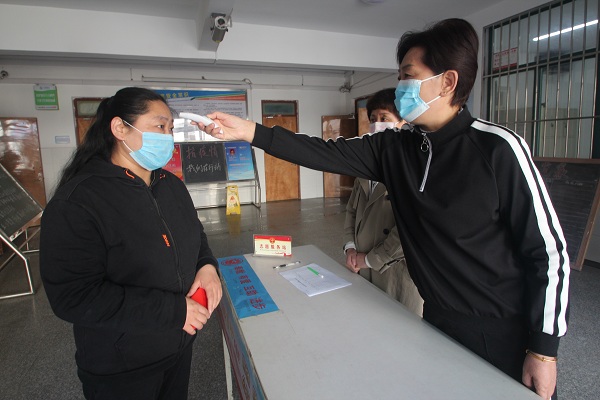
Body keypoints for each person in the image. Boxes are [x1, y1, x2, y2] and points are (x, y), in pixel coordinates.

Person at [197, 18, 570, 400]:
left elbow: (548, 253)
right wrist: (251, 132)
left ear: (448, 82)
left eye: (409, 76)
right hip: (436, 319)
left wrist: (544, 350)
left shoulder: (498, 149)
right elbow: (322, 151)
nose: (400, 86)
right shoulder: (395, 148)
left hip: (504, 330)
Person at [40, 87, 222, 400]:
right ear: (120, 128)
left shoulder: (171, 185)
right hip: (122, 368)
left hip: (178, 347)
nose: (168, 137)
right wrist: (173, 311)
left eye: (170, 128)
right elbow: (73, 297)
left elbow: (194, 233)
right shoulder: (78, 201)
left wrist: (206, 265)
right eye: (159, 126)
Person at [344, 88, 423, 316]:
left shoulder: (412, 169)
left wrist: (369, 259)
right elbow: (351, 211)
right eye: (373, 119)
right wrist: (350, 248)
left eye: (384, 118)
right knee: (367, 320)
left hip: (394, 271)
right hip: (361, 265)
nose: (377, 124)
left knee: (397, 326)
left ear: (402, 122)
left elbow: (410, 230)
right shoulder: (366, 165)